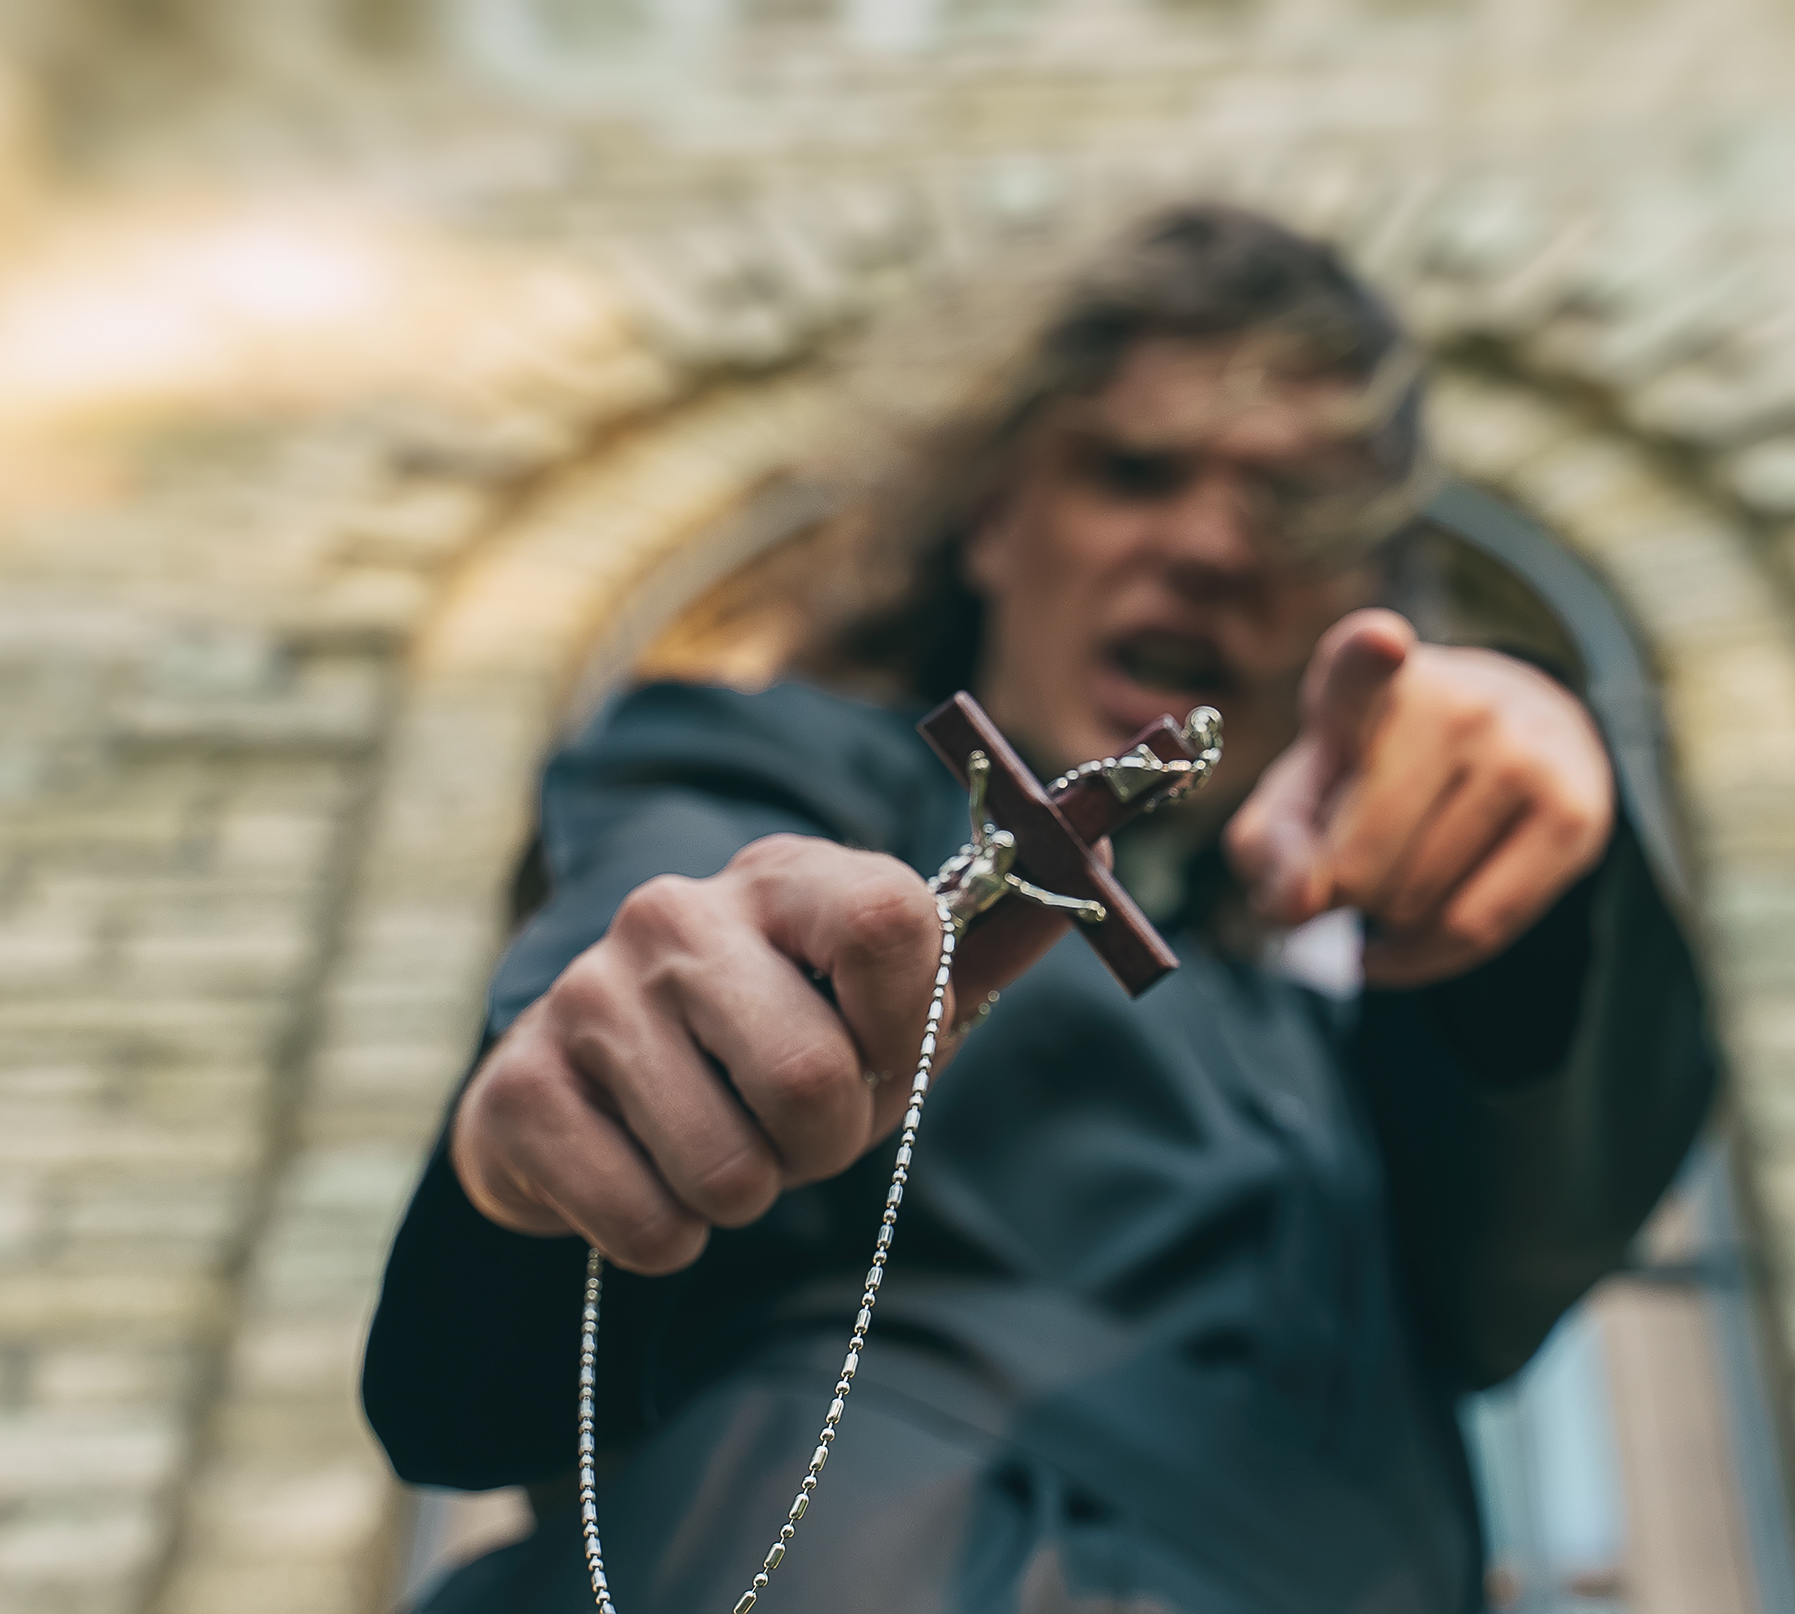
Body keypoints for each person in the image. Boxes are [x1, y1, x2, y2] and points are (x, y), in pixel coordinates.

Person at [364, 203, 1716, 1614]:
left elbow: (1521, 1250)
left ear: (1365, 596)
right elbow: (659, 906)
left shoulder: (1364, 1034)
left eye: (1297, 507)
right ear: (994, 521)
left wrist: (1533, 896)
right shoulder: (786, 776)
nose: (1211, 543)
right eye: (1133, 469)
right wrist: (598, 1076)